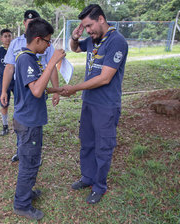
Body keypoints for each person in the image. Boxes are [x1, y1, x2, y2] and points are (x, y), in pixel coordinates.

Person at [62, 4, 128, 204]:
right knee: (87, 142)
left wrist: (75, 88)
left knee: (103, 147)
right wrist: (74, 36)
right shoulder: (93, 39)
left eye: (89, 26)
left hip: (106, 105)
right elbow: (74, 49)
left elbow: (105, 78)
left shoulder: (117, 42)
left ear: (101, 19)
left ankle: (99, 186)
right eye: (85, 27)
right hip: (89, 102)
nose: (88, 31)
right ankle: (88, 177)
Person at [12, 17, 65, 220]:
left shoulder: (30, 57)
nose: (49, 45)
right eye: (47, 41)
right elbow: (35, 91)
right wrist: (53, 62)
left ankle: (26, 193)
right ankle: (21, 204)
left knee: (31, 160)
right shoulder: (26, 58)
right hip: (28, 122)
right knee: (29, 163)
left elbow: (36, 87)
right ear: (37, 39)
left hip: (29, 119)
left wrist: (56, 89)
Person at [0, 10, 61, 162]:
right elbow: (9, 68)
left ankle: (31, 154)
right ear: (24, 24)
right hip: (22, 86)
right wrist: (4, 90)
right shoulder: (17, 45)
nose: (48, 45)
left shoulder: (43, 43)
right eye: (29, 22)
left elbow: (50, 68)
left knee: (31, 120)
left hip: (37, 86)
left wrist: (56, 90)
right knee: (25, 119)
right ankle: (24, 152)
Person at [0, 29, 14, 136]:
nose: (7, 38)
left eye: (9, 36)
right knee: (4, 103)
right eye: (5, 36)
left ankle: (19, 125)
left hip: (16, 80)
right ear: (1, 38)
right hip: (3, 82)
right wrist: (3, 73)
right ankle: (5, 126)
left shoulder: (15, 50)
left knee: (19, 102)